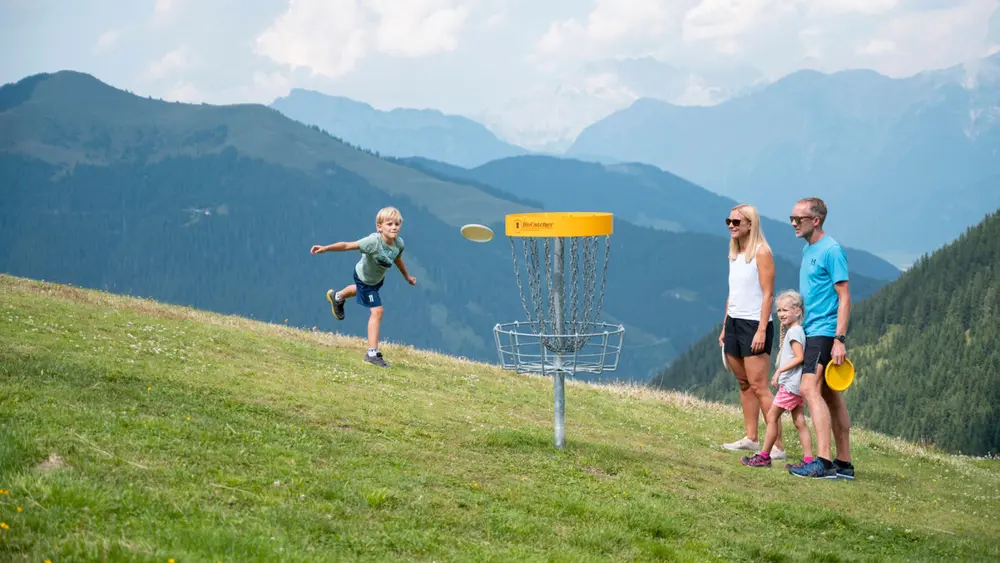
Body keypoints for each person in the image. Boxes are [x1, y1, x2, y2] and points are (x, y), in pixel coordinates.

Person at [787, 197, 854, 480]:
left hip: (823, 332)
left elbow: (845, 296)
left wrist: (839, 338)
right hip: (812, 329)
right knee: (830, 395)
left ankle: (823, 462)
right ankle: (844, 464)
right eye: (791, 218)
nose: (793, 223)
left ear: (815, 220)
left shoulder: (832, 250)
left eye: (798, 219)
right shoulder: (808, 249)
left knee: (808, 388)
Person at [310, 206, 417, 368]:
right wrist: (325, 248)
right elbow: (347, 245)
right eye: (389, 224)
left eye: (397, 224)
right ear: (379, 227)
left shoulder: (398, 244)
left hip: (376, 280)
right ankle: (372, 353)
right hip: (364, 278)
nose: (394, 227)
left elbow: (397, 259)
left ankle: (337, 296)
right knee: (377, 311)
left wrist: (407, 276)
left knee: (360, 291)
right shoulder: (373, 242)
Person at [719, 204, 785, 459]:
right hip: (735, 321)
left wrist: (760, 330)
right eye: (729, 221)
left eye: (737, 222)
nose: (731, 226)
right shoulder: (735, 252)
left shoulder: (762, 252)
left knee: (759, 386)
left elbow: (768, 293)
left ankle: (777, 445)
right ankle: (751, 438)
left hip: (754, 324)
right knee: (744, 383)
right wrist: (725, 326)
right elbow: (733, 293)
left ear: (750, 224)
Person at [740, 290, 814, 469]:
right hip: (797, 385)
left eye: (786, 310)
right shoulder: (796, 330)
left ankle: (764, 456)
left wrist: (779, 371)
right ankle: (809, 459)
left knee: (772, 416)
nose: (781, 314)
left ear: (797, 311)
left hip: (790, 385)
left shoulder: (794, 332)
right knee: (799, 421)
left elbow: (799, 357)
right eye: (779, 310)